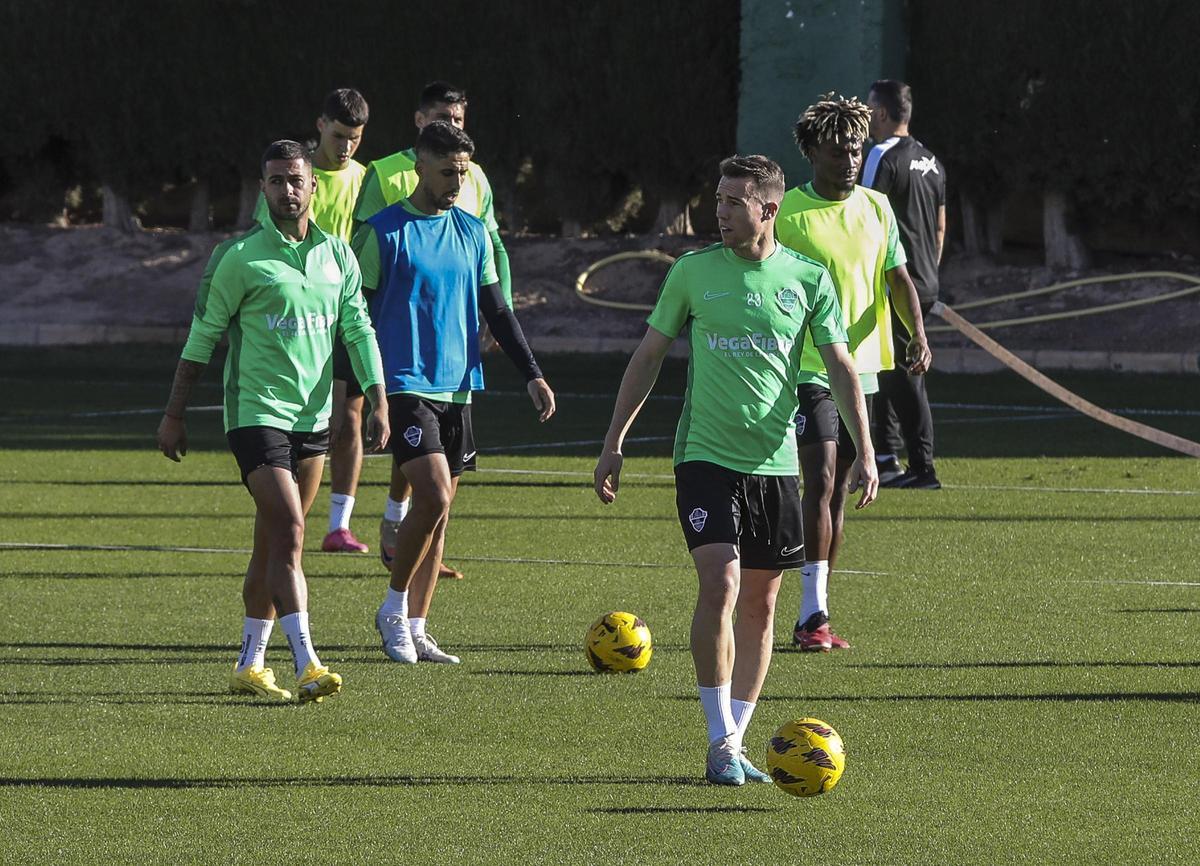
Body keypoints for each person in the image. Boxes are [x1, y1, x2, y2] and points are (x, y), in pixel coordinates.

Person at [594, 155, 877, 786]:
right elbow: (648, 358)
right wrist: (615, 439)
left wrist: (867, 447)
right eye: (717, 200)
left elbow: (839, 366)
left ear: (767, 209)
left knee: (762, 603)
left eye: (732, 202)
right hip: (703, 455)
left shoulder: (807, 277)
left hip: (774, 464)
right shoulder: (693, 274)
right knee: (719, 584)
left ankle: (737, 737)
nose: (719, 213)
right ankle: (720, 740)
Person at [157, 140, 390, 702]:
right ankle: (308, 662)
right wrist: (174, 414)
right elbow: (203, 338)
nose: (288, 189)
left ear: (314, 187)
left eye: (296, 180)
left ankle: (249, 663)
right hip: (255, 414)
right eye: (276, 181)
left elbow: (358, 330)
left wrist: (379, 401)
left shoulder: (338, 255)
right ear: (263, 188)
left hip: (314, 419)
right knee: (290, 527)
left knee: (272, 544)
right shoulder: (240, 258)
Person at [359, 121, 554, 665]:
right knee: (435, 495)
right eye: (447, 172)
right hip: (403, 383)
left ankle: (418, 625)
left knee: (441, 516)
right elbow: (354, 319)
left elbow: (497, 309)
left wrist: (531, 372)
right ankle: (392, 608)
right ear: (419, 167)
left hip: (459, 384)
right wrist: (364, 394)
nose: (455, 182)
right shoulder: (382, 233)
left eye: (462, 173)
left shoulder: (473, 233)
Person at [775, 93, 932, 652]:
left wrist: (917, 332)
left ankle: (814, 612)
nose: (849, 159)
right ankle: (808, 617)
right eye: (838, 150)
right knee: (816, 481)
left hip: (861, 369)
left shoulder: (877, 207)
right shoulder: (787, 211)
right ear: (812, 150)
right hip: (804, 368)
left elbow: (899, 277)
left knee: (838, 493)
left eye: (855, 149)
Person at [338, 81, 511, 577]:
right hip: (394, 347)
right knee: (420, 472)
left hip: (452, 362)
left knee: (438, 493)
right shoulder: (386, 174)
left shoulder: (474, 178)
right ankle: (375, 533)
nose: (453, 127)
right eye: (443, 118)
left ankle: (415, 607)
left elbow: (489, 251)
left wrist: (503, 314)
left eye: (459, 119)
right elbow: (369, 254)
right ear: (419, 123)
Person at [250, 88, 377, 554]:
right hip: (296, 315)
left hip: (345, 306)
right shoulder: (291, 172)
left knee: (350, 414)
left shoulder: (367, 179)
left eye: (356, 138)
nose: (346, 146)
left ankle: (339, 524)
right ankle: (290, 523)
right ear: (321, 125)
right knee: (305, 415)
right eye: (340, 134)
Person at [863, 79, 946, 490]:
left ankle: (922, 467)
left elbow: (863, 214)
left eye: (867, 110)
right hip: (925, 277)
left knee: (904, 374)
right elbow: (941, 226)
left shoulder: (880, 155)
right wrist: (929, 271)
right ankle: (886, 456)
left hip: (897, 280)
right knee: (888, 368)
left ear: (880, 113)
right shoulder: (931, 160)